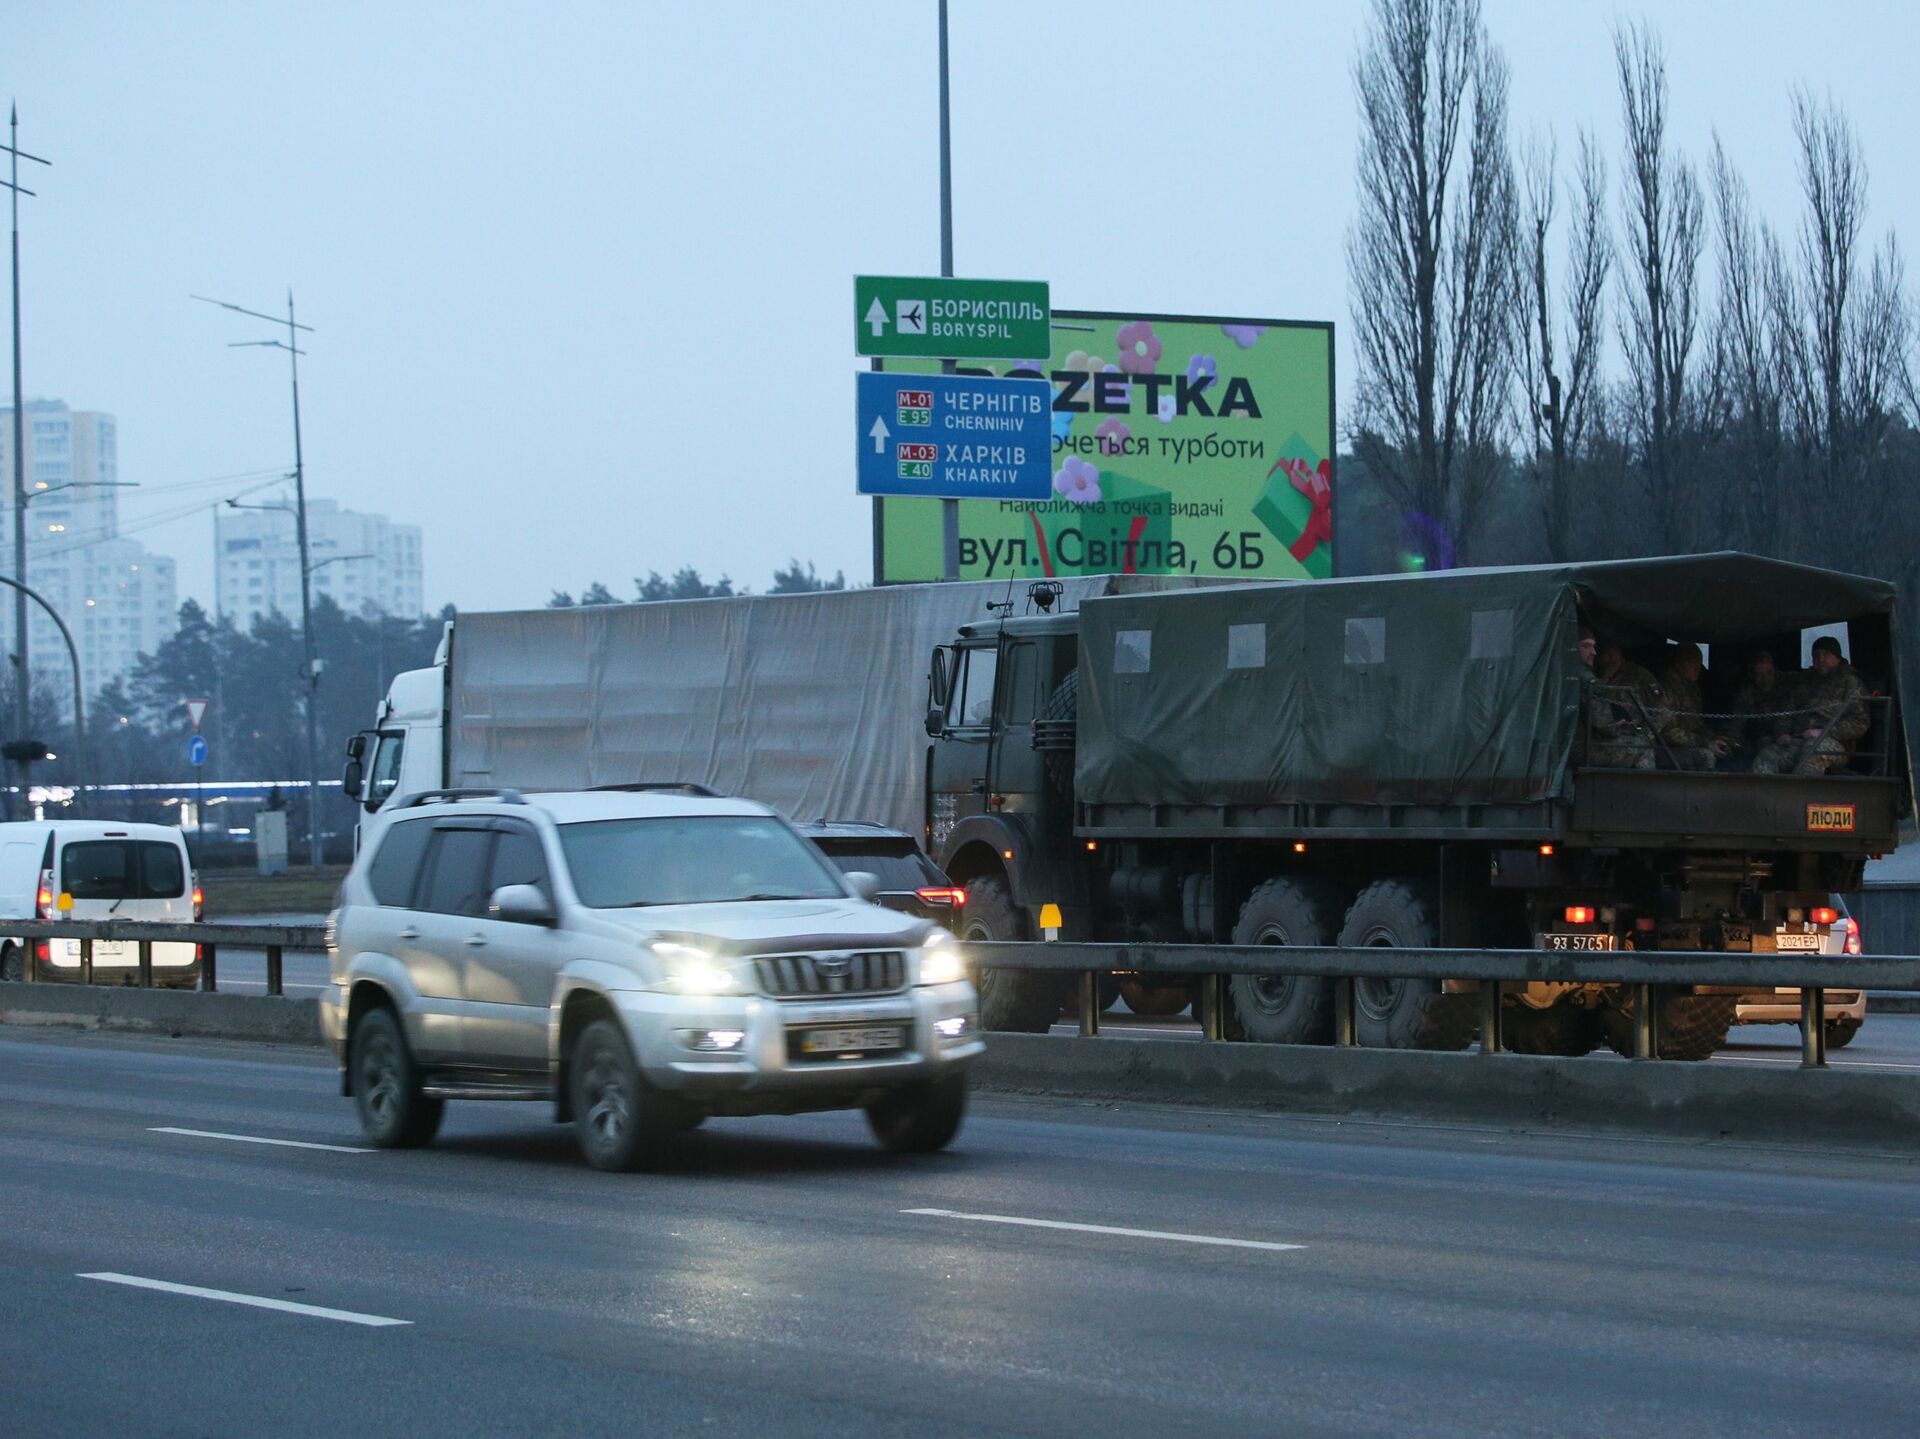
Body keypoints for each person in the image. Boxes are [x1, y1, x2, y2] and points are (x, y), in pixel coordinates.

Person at [1751, 637, 1871, 775]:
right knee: (1767, 756)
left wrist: (1824, 732)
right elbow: (1787, 711)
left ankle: (1800, 795)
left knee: (1811, 752)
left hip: (1833, 744)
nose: (1820, 658)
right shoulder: (1804, 682)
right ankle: (1766, 796)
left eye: (1825, 654)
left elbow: (1859, 723)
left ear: (1837, 657)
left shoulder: (1851, 683)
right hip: (1798, 740)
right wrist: (1782, 733)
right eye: (1816, 655)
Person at [1583, 634, 1660, 769]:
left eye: (1614, 653)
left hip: (1633, 732)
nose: (1611, 659)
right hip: (1599, 736)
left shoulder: (1639, 675)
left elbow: (1661, 711)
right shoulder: (1592, 675)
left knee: (1643, 746)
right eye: (1607, 654)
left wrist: (1646, 733)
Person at [1715, 650, 1787, 768]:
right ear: (1752, 675)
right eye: (1759, 674)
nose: (1765, 679)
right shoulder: (1746, 694)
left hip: (1778, 739)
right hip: (1751, 738)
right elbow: (1737, 724)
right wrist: (1730, 741)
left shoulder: (1785, 687)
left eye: (1769, 673)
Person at [1656, 642, 1721, 770]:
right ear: (1677, 664)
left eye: (1699, 662)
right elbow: (1667, 732)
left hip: (1688, 745)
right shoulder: (1665, 687)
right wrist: (1705, 742)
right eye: (1692, 662)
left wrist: (1714, 738)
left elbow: (1697, 725)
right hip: (1665, 749)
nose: (1698, 667)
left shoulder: (1692, 687)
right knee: (1706, 757)